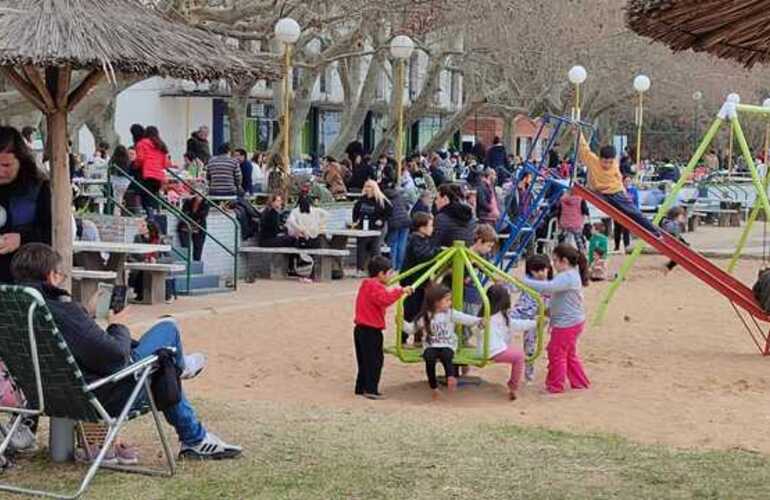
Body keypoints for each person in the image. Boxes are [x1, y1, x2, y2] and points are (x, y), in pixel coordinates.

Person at [11, 243, 241, 459]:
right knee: (167, 335)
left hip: (46, 398)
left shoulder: (18, 314)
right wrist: (116, 324)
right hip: (104, 395)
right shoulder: (64, 312)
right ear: (51, 276)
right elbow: (115, 358)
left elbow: (72, 341)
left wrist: (86, 314)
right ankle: (185, 383)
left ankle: (194, 434)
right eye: (60, 275)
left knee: (161, 357)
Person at [522, 244, 590, 394]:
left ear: (564, 261)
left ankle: (555, 385)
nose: (553, 264)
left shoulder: (568, 276)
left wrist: (524, 282)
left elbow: (548, 287)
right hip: (570, 321)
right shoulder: (568, 275)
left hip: (567, 323)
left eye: (555, 260)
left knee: (556, 352)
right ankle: (579, 382)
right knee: (568, 353)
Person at [409, 282, 482, 400]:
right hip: (431, 345)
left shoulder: (450, 314)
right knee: (429, 357)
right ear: (436, 302)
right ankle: (434, 387)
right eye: (447, 300)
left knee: (447, 354)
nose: (450, 303)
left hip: (447, 343)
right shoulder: (426, 316)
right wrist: (401, 323)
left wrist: (479, 320)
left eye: (450, 300)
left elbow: (466, 319)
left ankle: (450, 377)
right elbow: (412, 329)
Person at [578, 133, 660, 237]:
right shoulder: (593, 161)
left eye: (610, 162)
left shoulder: (615, 165)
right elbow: (584, 149)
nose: (607, 165)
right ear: (600, 158)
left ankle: (654, 231)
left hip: (616, 192)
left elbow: (619, 180)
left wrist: (624, 193)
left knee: (634, 212)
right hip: (601, 194)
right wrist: (578, 133)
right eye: (604, 162)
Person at [353, 256, 411, 399]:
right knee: (374, 361)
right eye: (389, 273)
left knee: (364, 361)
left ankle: (361, 387)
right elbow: (384, 299)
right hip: (371, 330)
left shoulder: (367, 284)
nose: (391, 276)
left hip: (361, 329)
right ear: (381, 274)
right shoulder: (375, 286)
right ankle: (371, 389)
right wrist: (401, 291)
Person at [0, 126, 51, 283]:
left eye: (6, 165)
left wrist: (22, 239)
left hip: (26, 277)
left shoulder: (38, 188)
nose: (0, 172)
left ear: (21, 161)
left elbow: (52, 233)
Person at [481, 284, 537, 400]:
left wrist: (533, 323)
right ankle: (513, 386)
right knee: (519, 356)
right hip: (493, 350)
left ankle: (513, 385)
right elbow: (516, 324)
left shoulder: (485, 314)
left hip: (486, 349)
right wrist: (535, 323)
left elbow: (515, 324)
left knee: (516, 354)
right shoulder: (499, 316)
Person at [511, 255, 552, 383]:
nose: (540, 273)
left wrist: (546, 317)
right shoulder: (528, 281)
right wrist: (504, 283)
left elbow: (553, 305)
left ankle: (529, 375)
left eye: (543, 270)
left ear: (548, 269)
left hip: (536, 319)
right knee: (503, 322)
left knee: (530, 347)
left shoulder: (551, 284)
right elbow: (513, 287)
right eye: (536, 271)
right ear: (530, 271)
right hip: (520, 313)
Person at [401, 213, 441, 341]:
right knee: (411, 309)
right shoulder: (416, 239)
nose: (432, 228)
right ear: (421, 228)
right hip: (413, 280)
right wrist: (437, 251)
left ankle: (418, 335)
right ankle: (403, 336)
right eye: (430, 225)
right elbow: (423, 256)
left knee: (421, 308)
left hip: (421, 280)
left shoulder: (423, 239)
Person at [352, 180, 392, 276]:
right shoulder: (361, 200)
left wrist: (381, 220)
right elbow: (355, 211)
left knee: (375, 248)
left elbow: (389, 211)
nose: (367, 189)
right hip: (363, 227)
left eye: (370, 187)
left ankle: (377, 270)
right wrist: (355, 221)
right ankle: (360, 269)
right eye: (366, 187)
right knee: (361, 247)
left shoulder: (381, 200)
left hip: (377, 228)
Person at [135, 126, 170, 215]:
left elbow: (140, 159)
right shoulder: (161, 145)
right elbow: (166, 164)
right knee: (153, 195)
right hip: (159, 176)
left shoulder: (141, 144)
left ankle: (149, 216)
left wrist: (135, 165)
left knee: (143, 195)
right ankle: (154, 214)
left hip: (147, 174)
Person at [432, 184, 475, 248]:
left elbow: (435, 242)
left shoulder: (441, 218)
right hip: (467, 254)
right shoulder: (470, 216)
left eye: (437, 198)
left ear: (445, 199)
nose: (435, 202)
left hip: (448, 254)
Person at [382, 180, 411, 270]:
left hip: (394, 223)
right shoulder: (399, 195)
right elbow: (407, 206)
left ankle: (392, 267)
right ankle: (400, 267)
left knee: (392, 245)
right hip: (406, 221)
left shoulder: (383, 197)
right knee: (402, 245)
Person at [556, 187, 590, 255]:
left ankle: (561, 253)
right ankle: (582, 254)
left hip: (564, 223)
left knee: (563, 240)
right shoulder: (580, 199)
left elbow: (558, 212)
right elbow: (585, 211)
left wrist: (559, 222)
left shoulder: (562, 199)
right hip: (576, 223)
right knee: (579, 241)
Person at [179, 195, 209, 261]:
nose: (199, 198)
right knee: (185, 250)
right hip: (185, 227)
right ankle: (186, 266)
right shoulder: (188, 201)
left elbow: (202, 216)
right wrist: (195, 215)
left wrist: (192, 215)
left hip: (199, 228)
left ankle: (196, 267)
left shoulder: (205, 203)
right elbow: (184, 214)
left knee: (198, 250)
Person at [614, 176, 640, 252]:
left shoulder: (633, 190)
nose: (628, 183)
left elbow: (636, 202)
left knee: (626, 230)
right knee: (617, 230)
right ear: (622, 181)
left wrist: (636, 212)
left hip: (629, 212)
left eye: (629, 181)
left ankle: (627, 247)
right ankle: (617, 246)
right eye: (626, 181)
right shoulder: (618, 190)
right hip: (618, 212)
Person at [661, 206, 688, 273]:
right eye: (682, 216)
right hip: (669, 242)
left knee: (683, 253)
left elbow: (677, 235)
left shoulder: (674, 223)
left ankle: (668, 266)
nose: (683, 218)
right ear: (676, 216)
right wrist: (678, 223)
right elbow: (670, 231)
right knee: (681, 254)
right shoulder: (670, 223)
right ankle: (668, 266)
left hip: (673, 241)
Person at [108, 145, 132, 215]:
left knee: (117, 200)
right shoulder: (127, 161)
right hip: (126, 183)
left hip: (116, 182)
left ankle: (117, 213)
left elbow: (110, 171)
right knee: (125, 199)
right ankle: (125, 212)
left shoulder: (113, 161)